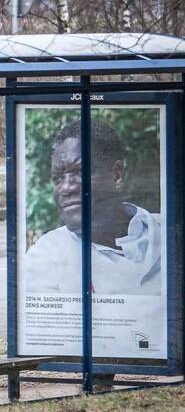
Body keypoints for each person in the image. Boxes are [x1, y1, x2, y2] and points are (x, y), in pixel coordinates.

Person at [23, 118, 162, 296]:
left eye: (80, 172)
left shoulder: (169, 233)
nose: (66, 188)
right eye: (57, 178)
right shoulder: (48, 255)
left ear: (117, 175)